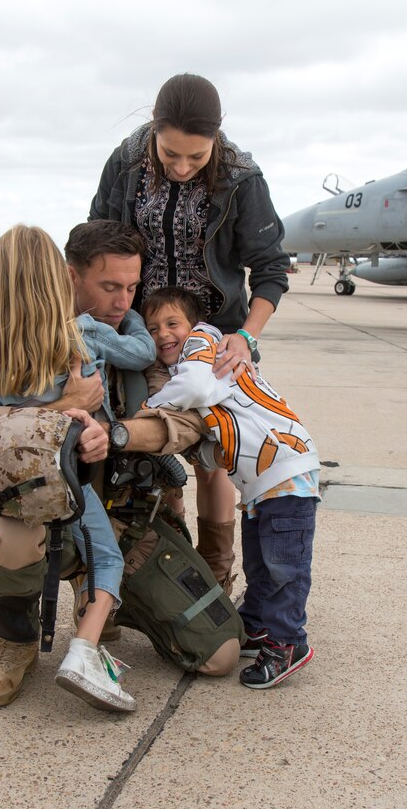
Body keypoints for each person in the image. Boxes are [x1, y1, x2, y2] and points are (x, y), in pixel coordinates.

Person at [0, 224, 157, 711]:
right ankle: (83, 654)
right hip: (61, 476)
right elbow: (141, 353)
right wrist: (133, 325)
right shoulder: (81, 333)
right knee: (105, 556)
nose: (121, 298)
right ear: (59, 277)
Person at [88, 73, 291, 592]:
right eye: (169, 154)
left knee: (213, 457)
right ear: (153, 131)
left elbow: (269, 269)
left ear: (216, 142)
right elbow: (98, 239)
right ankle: (171, 569)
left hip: (215, 336)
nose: (180, 169)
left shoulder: (242, 178)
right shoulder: (127, 162)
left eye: (195, 159)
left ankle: (215, 576)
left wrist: (245, 338)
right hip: (137, 330)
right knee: (151, 451)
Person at [108, 286, 320, 689]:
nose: (162, 334)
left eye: (172, 324)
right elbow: (218, 435)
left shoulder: (205, 341)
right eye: (152, 328)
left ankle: (289, 642)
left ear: (193, 324)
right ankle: (257, 625)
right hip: (263, 479)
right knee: (260, 560)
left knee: (284, 566)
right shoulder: (194, 357)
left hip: (286, 469)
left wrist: (151, 409)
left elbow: (197, 389)